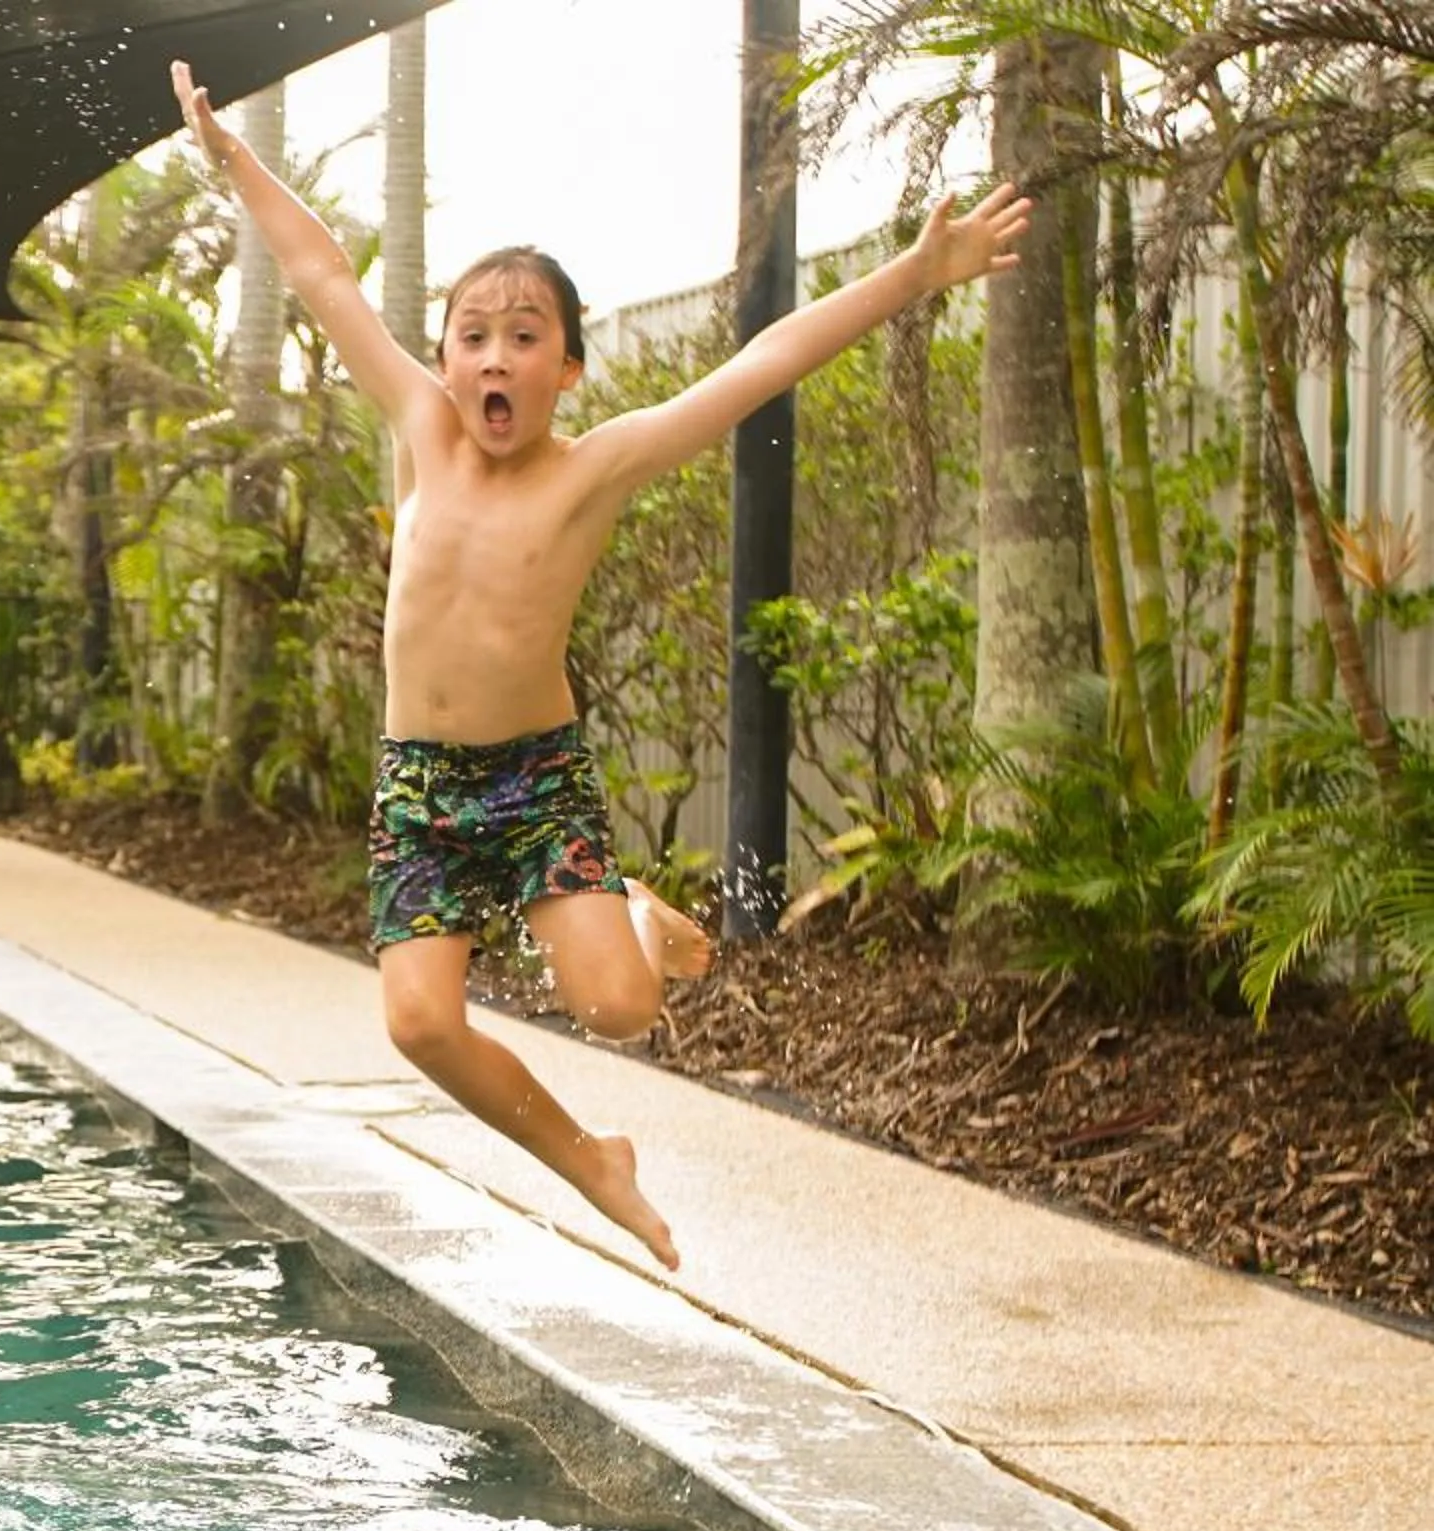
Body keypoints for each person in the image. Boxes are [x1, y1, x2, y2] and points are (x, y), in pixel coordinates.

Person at [170, 59, 1028, 1271]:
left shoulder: (594, 469)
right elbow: (318, 272)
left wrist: (914, 274)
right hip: (419, 784)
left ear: (567, 368)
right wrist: (232, 158)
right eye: (472, 338)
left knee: (621, 1009)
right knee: (418, 1022)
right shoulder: (418, 424)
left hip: (533, 780)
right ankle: (588, 1157)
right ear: (447, 356)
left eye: (524, 339)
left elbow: (758, 368)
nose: (492, 360)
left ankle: (628, 907)